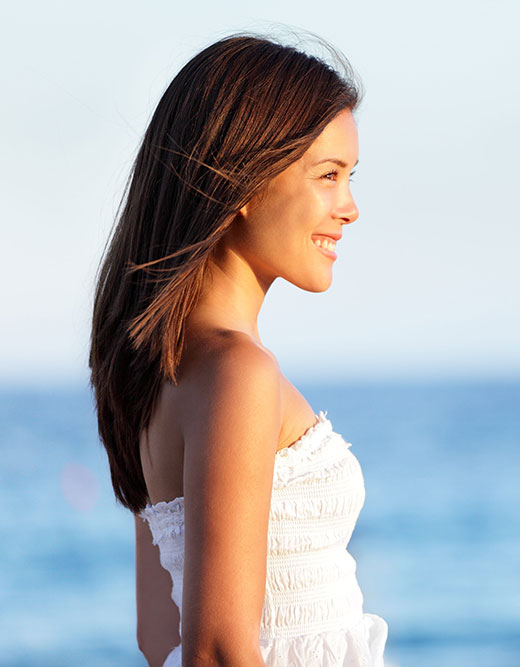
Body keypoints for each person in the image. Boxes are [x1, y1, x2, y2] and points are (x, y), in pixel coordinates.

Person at [88, 33, 388, 667]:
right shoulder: (238, 375)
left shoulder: (157, 369)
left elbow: (158, 635)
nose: (350, 208)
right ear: (244, 182)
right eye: (328, 176)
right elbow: (218, 651)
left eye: (350, 178)